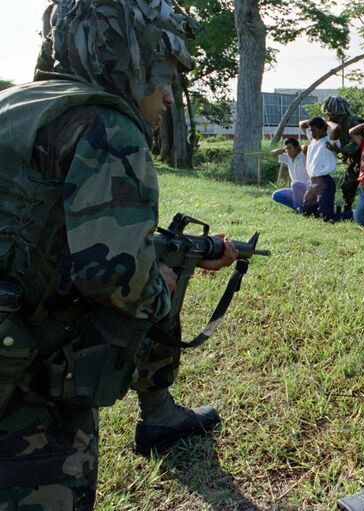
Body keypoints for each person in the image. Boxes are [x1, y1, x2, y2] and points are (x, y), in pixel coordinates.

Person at [0, 1, 236, 508]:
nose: (169, 96)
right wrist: (162, 287)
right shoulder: (108, 128)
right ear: (130, 62)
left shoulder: (20, 104)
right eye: (165, 77)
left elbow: (44, 233)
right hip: (28, 386)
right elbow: (113, 277)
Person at [321, 96, 364, 213]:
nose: (328, 115)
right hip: (353, 160)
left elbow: (358, 143)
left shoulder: (354, 121)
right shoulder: (337, 124)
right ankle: (348, 208)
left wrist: (341, 151)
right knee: (347, 186)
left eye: (330, 112)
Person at [299, 116, 342, 222]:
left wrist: (325, 121)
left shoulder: (330, 141)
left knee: (327, 218)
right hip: (312, 182)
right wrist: (318, 118)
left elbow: (336, 128)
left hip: (324, 182)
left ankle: (352, 214)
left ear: (323, 128)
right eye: (311, 130)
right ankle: (333, 209)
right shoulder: (313, 140)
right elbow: (301, 124)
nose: (311, 133)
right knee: (306, 213)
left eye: (314, 130)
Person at [270, 137, 309, 211]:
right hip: (295, 190)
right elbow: (272, 153)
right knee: (276, 195)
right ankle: (299, 208)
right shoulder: (288, 158)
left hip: (307, 190)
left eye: (290, 148)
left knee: (295, 184)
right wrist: (284, 149)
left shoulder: (303, 156)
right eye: (286, 149)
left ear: (297, 147)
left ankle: (302, 209)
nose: (288, 151)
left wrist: (299, 147)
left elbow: (306, 147)